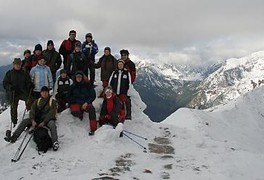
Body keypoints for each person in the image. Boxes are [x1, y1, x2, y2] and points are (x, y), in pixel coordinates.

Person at [5, 86, 59, 151]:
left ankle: (55, 142)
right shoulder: (37, 101)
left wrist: (44, 122)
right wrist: (32, 120)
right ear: (41, 93)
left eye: (46, 92)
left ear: (48, 93)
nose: (44, 93)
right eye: (43, 92)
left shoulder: (52, 101)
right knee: (25, 121)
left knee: (52, 125)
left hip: (47, 120)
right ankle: (14, 136)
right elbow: (32, 111)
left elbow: (52, 113)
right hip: (37, 119)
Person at [3, 58, 34, 126]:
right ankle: (14, 122)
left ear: (21, 64)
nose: (18, 66)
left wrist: (30, 85)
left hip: (22, 91)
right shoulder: (9, 73)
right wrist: (10, 87)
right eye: (16, 64)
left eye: (19, 64)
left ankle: (30, 116)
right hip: (13, 92)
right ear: (14, 65)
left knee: (30, 101)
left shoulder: (24, 73)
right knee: (13, 108)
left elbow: (28, 82)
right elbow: (5, 83)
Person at [67, 71, 97, 135]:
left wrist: (87, 102)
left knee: (91, 109)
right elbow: (68, 97)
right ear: (75, 78)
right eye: (77, 77)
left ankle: (93, 129)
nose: (78, 78)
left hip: (85, 103)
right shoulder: (72, 86)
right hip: (76, 103)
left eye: (80, 77)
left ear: (82, 78)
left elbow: (93, 95)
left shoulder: (87, 85)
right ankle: (80, 113)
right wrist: (74, 101)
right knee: (75, 112)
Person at [119, 49, 136, 119]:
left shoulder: (131, 64)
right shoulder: (119, 62)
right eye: (122, 55)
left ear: (127, 55)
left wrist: (130, 82)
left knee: (127, 99)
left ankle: (128, 114)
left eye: (125, 55)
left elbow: (133, 74)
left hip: (127, 84)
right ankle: (121, 113)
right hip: (119, 83)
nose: (123, 56)